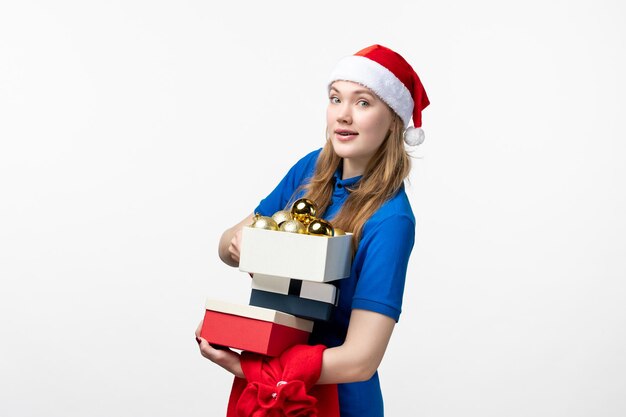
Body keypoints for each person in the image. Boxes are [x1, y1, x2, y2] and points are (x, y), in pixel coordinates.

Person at [196, 44, 429, 417]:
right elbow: (226, 244)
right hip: (268, 387)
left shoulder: (391, 219)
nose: (344, 115)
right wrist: (239, 245)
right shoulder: (311, 169)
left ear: (393, 120)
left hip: (330, 399)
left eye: (364, 102)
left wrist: (244, 368)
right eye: (336, 99)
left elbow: (360, 360)